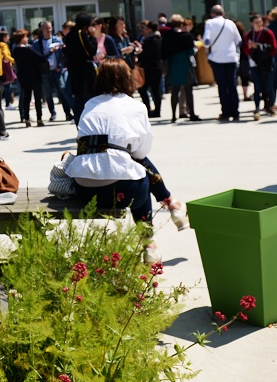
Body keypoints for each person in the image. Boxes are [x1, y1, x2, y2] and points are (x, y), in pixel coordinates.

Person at [65, 58, 187, 252]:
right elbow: (142, 152)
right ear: (127, 79)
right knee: (139, 172)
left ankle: (170, 204)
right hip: (122, 191)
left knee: (133, 166)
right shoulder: (135, 107)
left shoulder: (89, 105)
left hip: (85, 189)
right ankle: (150, 240)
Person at [203, 5, 243, 122]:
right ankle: (235, 112)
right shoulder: (230, 23)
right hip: (231, 58)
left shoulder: (210, 23)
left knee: (222, 86)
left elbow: (206, 42)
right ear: (223, 13)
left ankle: (226, 112)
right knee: (232, 85)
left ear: (213, 13)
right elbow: (239, 41)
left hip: (217, 59)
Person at [161, 15, 199, 122]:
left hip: (173, 65)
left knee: (175, 91)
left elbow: (163, 52)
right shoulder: (186, 36)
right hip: (185, 65)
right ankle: (192, 114)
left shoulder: (167, 36)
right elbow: (191, 52)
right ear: (181, 24)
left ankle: (173, 115)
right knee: (188, 91)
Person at [32, 20, 69, 121]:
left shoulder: (57, 40)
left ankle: (68, 113)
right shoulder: (37, 43)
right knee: (48, 94)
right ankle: (52, 113)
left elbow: (63, 55)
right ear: (41, 30)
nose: (48, 30)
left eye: (49, 28)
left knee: (62, 91)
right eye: (45, 28)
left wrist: (60, 66)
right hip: (45, 71)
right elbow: (37, 58)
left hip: (57, 70)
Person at [65, 13, 99, 121]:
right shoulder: (80, 34)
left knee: (79, 99)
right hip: (84, 72)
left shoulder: (70, 34)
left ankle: (79, 124)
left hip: (74, 71)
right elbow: (91, 50)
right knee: (89, 99)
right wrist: (93, 37)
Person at [243, 14, 277, 121]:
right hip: (254, 63)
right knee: (257, 86)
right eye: (256, 22)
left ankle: (270, 106)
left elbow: (274, 49)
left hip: (267, 63)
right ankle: (257, 107)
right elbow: (246, 50)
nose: (259, 24)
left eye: (260, 22)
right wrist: (250, 48)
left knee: (269, 85)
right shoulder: (249, 35)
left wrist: (258, 46)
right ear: (252, 23)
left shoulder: (267, 32)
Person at [11, 29, 44, 126]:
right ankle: (39, 119)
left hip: (23, 76)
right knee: (37, 98)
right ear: (21, 38)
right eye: (25, 37)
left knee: (26, 98)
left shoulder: (15, 50)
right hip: (34, 75)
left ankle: (27, 119)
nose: (27, 38)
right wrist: (51, 51)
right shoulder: (28, 49)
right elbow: (41, 58)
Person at [136, 20, 163, 118]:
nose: (143, 30)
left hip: (148, 67)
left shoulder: (148, 40)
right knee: (156, 90)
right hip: (158, 66)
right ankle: (158, 111)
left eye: (145, 28)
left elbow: (144, 54)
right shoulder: (159, 38)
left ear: (150, 29)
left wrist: (139, 52)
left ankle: (148, 109)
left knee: (142, 89)